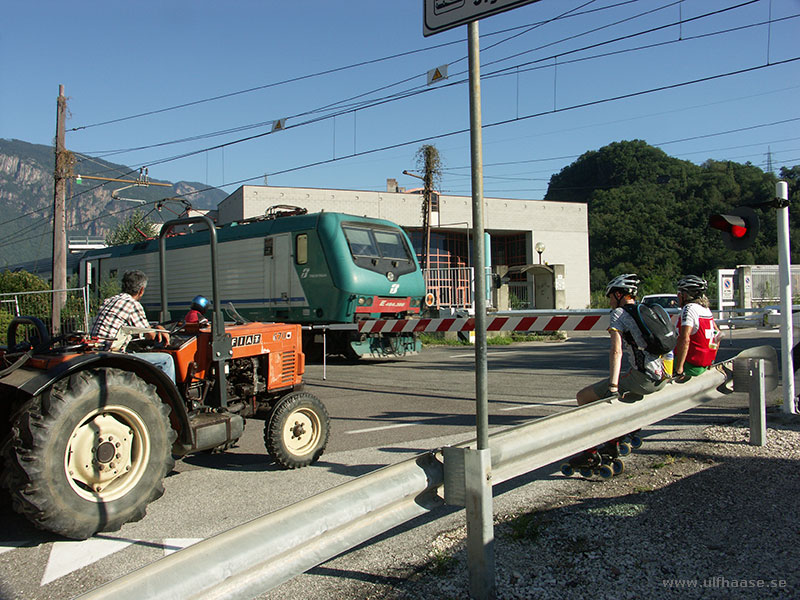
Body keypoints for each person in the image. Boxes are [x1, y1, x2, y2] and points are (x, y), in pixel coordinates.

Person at [576, 273, 667, 405]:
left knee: (583, 397)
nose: (610, 302)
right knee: (628, 397)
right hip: (661, 377)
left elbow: (616, 351)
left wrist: (613, 386)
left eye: (610, 297)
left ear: (618, 295)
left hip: (642, 379)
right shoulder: (645, 310)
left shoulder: (619, 314)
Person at [91, 270, 175, 381]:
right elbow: (150, 335)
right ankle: (168, 397)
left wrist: (154, 327)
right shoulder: (132, 304)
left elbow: (126, 325)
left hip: (96, 351)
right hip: (112, 354)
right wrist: (159, 331)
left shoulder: (109, 300)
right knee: (166, 360)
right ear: (141, 290)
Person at [672, 275, 720, 380]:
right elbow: (718, 334)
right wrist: (711, 359)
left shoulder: (689, 309)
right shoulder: (706, 309)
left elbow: (685, 339)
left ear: (685, 295)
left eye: (679, 293)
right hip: (703, 365)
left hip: (689, 365)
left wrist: (679, 369)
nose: (678, 296)